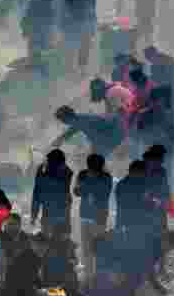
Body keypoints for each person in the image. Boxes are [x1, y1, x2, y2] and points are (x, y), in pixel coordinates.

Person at [74, 154, 113, 282]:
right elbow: (76, 191)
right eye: (90, 168)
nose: (91, 171)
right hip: (85, 216)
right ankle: (88, 277)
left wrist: (88, 185)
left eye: (94, 169)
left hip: (99, 218)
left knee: (98, 249)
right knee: (86, 250)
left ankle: (99, 277)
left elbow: (104, 194)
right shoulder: (82, 174)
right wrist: (90, 186)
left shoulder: (106, 177)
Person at [52, 105, 124, 157]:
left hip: (113, 139)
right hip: (111, 138)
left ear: (65, 119)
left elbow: (104, 123)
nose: (62, 122)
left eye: (61, 120)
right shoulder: (78, 119)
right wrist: (60, 139)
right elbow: (72, 130)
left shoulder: (83, 120)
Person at [31, 149, 73, 236]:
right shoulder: (66, 173)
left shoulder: (44, 175)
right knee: (60, 245)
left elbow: (36, 196)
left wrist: (34, 216)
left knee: (48, 243)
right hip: (63, 217)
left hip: (49, 217)